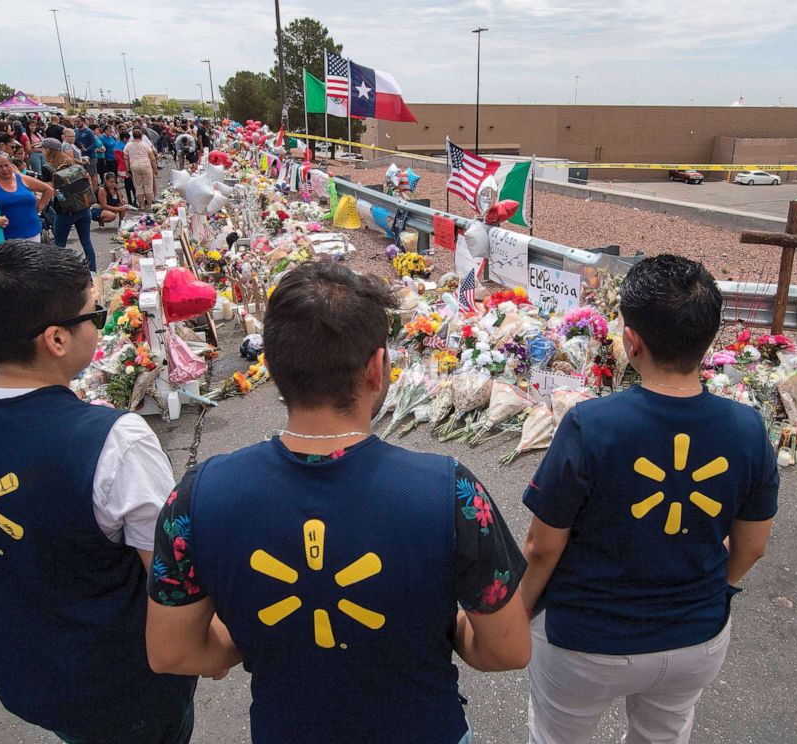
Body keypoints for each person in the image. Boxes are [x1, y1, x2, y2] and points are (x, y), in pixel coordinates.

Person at [146, 260, 531, 743]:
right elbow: (507, 650)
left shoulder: (196, 496)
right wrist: (446, 626)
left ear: (272, 365)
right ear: (376, 368)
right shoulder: (450, 493)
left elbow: (172, 653)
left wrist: (245, 639)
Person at [0, 240, 199, 743]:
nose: (101, 321)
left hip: (24, 672)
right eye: (95, 312)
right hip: (124, 685)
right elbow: (168, 577)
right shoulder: (114, 441)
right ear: (57, 339)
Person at [520, 254, 778, 744]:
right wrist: (702, 590)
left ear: (631, 340)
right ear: (708, 340)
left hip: (586, 639)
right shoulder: (747, 429)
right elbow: (753, 545)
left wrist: (520, 612)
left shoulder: (591, 425)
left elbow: (541, 547)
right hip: (695, 637)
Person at [42, 138, 98, 272]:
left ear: (48, 150)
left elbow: (51, 190)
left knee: (59, 245)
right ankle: (93, 271)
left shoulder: (48, 167)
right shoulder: (70, 162)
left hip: (65, 210)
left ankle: (62, 274)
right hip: (83, 207)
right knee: (86, 241)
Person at [0, 151, 53, 241]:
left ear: (12, 165)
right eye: (0, 166)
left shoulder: (22, 178)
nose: (4, 169)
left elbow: (48, 190)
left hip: (32, 230)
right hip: (6, 234)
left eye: (6, 165)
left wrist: (40, 206)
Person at [123, 128, 157, 209]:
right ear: (141, 136)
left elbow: (125, 158)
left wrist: (127, 169)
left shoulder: (128, 145)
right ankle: (149, 206)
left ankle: (141, 206)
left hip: (134, 165)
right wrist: (155, 168)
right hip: (145, 165)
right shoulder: (145, 145)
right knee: (148, 185)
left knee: (138, 186)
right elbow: (152, 158)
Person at [114, 130, 137, 207]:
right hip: (127, 167)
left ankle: (130, 200)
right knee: (132, 185)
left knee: (127, 185)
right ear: (124, 139)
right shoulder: (125, 146)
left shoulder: (116, 144)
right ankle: (134, 200)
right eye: (128, 139)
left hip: (120, 167)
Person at [73, 117, 98, 183]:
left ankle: (95, 192)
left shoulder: (88, 131)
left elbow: (95, 144)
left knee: (92, 175)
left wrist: (86, 149)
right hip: (80, 157)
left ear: (83, 122)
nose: (76, 123)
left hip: (90, 157)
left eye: (78, 121)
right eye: (75, 122)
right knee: (83, 176)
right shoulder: (75, 131)